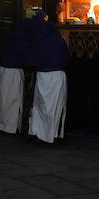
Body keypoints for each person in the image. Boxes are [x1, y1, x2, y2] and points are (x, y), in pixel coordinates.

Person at [27, 12, 69, 143]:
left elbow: (32, 59)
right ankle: (54, 135)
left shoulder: (38, 40)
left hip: (43, 75)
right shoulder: (59, 40)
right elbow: (66, 59)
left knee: (40, 106)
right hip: (57, 76)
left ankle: (38, 133)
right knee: (56, 107)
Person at [0, 17, 31, 135]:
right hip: (14, 71)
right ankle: (10, 127)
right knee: (14, 100)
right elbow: (26, 58)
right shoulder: (25, 39)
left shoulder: (11, 37)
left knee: (3, 99)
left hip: (3, 70)